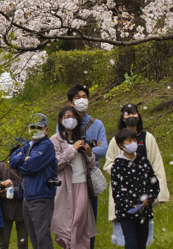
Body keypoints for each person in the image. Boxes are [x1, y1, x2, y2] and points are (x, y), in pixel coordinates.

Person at [103, 105, 170, 242]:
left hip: (143, 190)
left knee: (142, 238)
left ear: (138, 115)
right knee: (129, 238)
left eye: (133, 113)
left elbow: (156, 164)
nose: (131, 116)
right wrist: (125, 172)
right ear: (122, 117)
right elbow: (109, 164)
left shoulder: (147, 138)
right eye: (127, 114)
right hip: (125, 192)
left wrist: (160, 193)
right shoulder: (117, 140)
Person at [58, 85, 108, 249]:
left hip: (88, 180)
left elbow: (103, 150)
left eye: (84, 96)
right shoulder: (67, 124)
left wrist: (88, 150)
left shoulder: (97, 124)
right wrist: (83, 148)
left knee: (88, 222)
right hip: (67, 181)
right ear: (71, 102)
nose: (82, 100)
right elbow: (61, 150)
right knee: (69, 222)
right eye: (78, 97)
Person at [50, 106, 97, 249]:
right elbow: (55, 164)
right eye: (67, 117)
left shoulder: (80, 138)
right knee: (66, 224)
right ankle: (70, 245)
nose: (70, 119)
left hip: (81, 183)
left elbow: (90, 164)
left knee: (80, 221)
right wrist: (73, 149)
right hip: (65, 187)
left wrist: (89, 154)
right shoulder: (55, 139)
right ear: (61, 120)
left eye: (73, 117)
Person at [10, 114, 57, 249]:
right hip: (28, 197)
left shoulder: (46, 146)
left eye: (39, 127)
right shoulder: (27, 146)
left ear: (46, 130)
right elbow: (12, 161)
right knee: (34, 238)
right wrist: (25, 159)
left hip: (41, 197)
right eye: (32, 127)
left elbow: (30, 166)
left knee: (43, 239)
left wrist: (23, 160)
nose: (35, 129)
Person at [108, 129, 159, 249]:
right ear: (121, 145)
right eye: (129, 141)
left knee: (142, 243)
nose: (133, 143)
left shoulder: (143, 161)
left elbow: (154, 183)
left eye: (135, 140)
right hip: (126, 213)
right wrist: (130, 205)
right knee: (131, 242)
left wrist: (149, 199)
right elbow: (117, 191)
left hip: (143, 212)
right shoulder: (118, 165)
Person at [0, 141, 28, 249]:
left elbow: (29, 188)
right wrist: (1, 184)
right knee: (3, 243)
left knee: (23, 243)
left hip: (22, 209)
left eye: (23, 151)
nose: (20, 154)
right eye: (18, 151)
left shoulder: (28, 167)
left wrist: (11, 191)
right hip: (5, 210)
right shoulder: (3, 166)